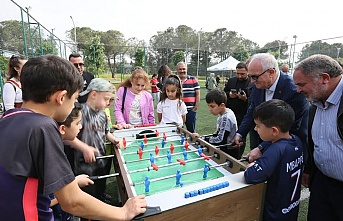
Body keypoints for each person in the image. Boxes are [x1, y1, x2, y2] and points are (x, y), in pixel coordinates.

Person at [0, 55, 146, 220]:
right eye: (75, 98)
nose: (75, 105)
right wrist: (123, 212)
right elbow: (71, 200)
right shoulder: (43, 128)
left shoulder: (8, 118)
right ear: (61, 98)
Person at [232, 53, 308, 163]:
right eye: (250, 77)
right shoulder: (258, 86)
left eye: (255, 77)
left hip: (286, 149)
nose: (252, 81)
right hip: (261, 140)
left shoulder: (293, 90)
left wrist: (261, 148)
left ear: (271, 72)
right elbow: (252, 111)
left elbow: (288, 128)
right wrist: (240, 134)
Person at [293, 54, 343, 221]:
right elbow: (316, 142)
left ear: (324, 79)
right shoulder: (316, 101)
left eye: (301, 84)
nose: (298, 90)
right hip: (322, 182)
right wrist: (310, 169)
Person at [244, 99, 304, 221]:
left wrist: (252, 166)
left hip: (274, 213)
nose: (255, 129)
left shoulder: (276, 150)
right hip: (291, 208)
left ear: (274, 131)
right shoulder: (296, 140)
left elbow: (251, 176)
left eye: (258, 126)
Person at [70, 78, 123, 210]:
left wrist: (114, 139)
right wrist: (85, 148)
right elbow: (66, 137)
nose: (108, 103)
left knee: (100, 184)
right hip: (83, 165)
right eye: (106, 99)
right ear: (93, 94)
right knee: (88, 194)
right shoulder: (79, 113)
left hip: (100, 159)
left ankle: (101, 197)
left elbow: (105, 132)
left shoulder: (103, 115)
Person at [50, 103, 94, 221]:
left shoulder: (56, 145)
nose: (80, 127)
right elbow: (44, 202)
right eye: (78, 123)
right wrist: (75, 183)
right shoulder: (51, 155)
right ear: (63, 129)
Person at [192, 89, 239, 159]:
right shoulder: (224, 114)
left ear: (222, 105)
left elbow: (220, 140)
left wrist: (202, 139)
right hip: (226, 149)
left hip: (229, 152)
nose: (209, 109)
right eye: (209, 106)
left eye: (212, 106)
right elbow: (218, 134)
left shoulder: (226, 118)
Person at [223, 62, 251, 158]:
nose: (239, 76)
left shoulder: (251, 83)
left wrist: (245, 99)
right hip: (230, 114)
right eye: (238, 73)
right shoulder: (231, 81)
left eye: (242, 74)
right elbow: (223, 93)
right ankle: (226, 154)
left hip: (244, 115)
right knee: (227, 135)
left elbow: (254, 101)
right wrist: (229, 95)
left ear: (247, 72)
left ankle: (237, 157)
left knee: (240, 138)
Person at [176, 61, 200, 133]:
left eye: (183, 69)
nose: (182, 71)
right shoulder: (175, 80)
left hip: (190, 111)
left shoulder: (193, 79)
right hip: (178, 111)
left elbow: (198, 94)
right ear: (177, 70)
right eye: (180, 69)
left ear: (186, 69)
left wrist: (195, 107)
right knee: (178, 132)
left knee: (192, 132)